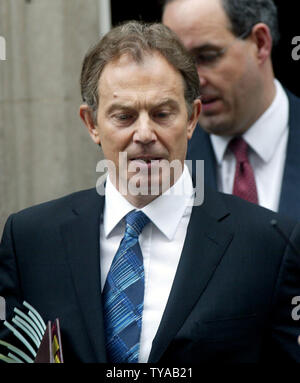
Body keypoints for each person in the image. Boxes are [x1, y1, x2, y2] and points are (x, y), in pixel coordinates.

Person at [0, 21, 300, 363]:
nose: (144, 133)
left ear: (191, 118)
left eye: (162, 113)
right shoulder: (31, 241)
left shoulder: (270, 245)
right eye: (124, 116)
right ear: (92, 124)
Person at [162, 0, 300, 220]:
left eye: (207, 56)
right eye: (177, 63)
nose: (192, 82)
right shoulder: (164, 162)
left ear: (260, 43)